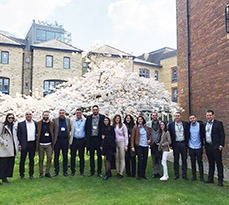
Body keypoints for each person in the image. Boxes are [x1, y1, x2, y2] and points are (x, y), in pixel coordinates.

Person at [204, 110, 225, 187]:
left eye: (210, 115)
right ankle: (210, 179)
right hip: (208, 146)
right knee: (211, 163)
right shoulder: (205, 124)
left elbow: (222, 135)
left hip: (216, 147)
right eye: (207, 115)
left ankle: (220, 180)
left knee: (219, 164)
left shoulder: (218, 123)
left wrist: (221, 145)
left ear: (213, 115)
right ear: (206, 116)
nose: (208, 117)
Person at [168, 112, 189, 180]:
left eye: (178, 116)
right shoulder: (171, 125)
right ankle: (176, 174)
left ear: (181, 116)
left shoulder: (185, 124)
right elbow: (170, 135)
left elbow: (188, 134)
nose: (177, 117)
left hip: (183, 143)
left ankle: (184, 174)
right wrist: (170, 144)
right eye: (176, 116)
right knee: (176, 159)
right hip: (175, 144)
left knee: (184, 159)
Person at [85, 105, 105, 177]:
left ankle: (99, 171)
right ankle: (92, 171)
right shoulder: (89, 118)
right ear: (92, 110)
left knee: (99, 156)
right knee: (91, 156)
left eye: (96, 110)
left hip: (99, 139)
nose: (95, 111)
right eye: (94, 110)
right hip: (91, 139)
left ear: (98, 110)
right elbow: (86, 129)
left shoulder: (102, 117)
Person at [17, 111, 37, 179]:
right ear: (25, 116)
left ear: (32, 115)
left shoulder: (35, 123)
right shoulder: (21, 124)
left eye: (30, 114)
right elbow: (18, 135)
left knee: (32, 159)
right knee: (22, 159)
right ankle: (22, 174)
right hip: (24, 144)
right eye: (27, 114)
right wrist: (19, 144)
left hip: (32, 143)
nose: (28, 116)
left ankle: (31, 174)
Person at [0, 113, 19, 184]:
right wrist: (3, 142)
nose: (11, 119)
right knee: (2, 164)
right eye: (9, 118)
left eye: (12, 118)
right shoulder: (2, 126)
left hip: (12, 148)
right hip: (4, 148)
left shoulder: (14, 126)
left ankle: (5, 177)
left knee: (9, 164)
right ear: (6, 118)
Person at [53, 109, 71, 177]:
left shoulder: (68, 120)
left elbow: (70, 129)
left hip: (65, 140)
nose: (61, 114)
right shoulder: (55, 120)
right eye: (60, 113)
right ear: (58, 114)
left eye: (62, 113)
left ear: (64, 114)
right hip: (57, 140)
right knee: (56, 156)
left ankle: (65, 171)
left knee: (65, 156)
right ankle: (56, 171)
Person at [36, 111, 54, 178]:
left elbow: (53, 132)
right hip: (41, 143)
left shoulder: (52, 123)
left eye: (47, 115)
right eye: (44, 115)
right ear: (42, 115)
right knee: (41, 159)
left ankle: (47, 172)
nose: (45, 116)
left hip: (49, 144)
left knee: (49, 158)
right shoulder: (38, 123)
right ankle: (41, 173)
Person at [188, 114, 205, 182]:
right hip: (191, 147)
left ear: (196, 118)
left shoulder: (200, 125)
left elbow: (203, 135)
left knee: (200, 162)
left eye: (193, 118)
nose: (192, 119)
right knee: (192, 162)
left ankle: (201, 177)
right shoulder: (188, 126)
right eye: (191, 118)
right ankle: (194, 176)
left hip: (199, 147)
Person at [69, 108, 86, 176]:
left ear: (81, 113)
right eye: (77, 113)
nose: (78, 114)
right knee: (72, 156)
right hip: (74, 140)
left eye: (79, 113)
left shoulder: (85, 120)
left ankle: (82, 171)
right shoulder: (72, 120)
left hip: (82, 140)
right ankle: (73, 171)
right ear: (75, 113)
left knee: (81, 156)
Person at [146, 111, 162, 178]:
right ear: (152, 116)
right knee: (153, 158)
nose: (154, 116)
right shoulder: (149, 124)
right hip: (152, 144)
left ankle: (158, 172)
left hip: (159, 143)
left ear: (157, 116)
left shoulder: (161, 123)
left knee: (159, 158)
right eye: (153, 115)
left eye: (155, 115)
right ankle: (154, 172)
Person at [113, 114, 128, 178]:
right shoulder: (113, 126)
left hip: (122, 142)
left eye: (118, 118)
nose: (117, 119)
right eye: (116, 118)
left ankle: (121, 172)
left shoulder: (123, 125)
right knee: (117, 158)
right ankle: (117, 171)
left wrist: (126, 145)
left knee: (122, 158)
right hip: (115, 142)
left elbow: (126, 135)